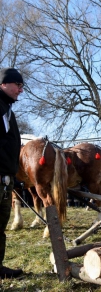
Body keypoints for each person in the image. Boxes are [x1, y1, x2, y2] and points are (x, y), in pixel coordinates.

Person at [0, 68, 24, 278]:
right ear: (3, 84)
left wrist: (12, 176)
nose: (20, 90)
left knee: (0, 227)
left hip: (5, 180)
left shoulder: (7, 110)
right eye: (18, 85)